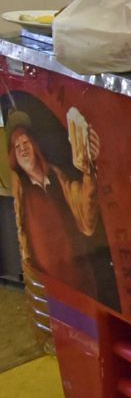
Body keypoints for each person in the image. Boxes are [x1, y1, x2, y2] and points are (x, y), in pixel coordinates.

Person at [6, 100, 119, 310]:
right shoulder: (21, 190)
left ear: (35, 145)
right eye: (17, 147)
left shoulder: (59, 180)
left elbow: (87, 219)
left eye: (26, 143)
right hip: (49, 290)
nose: (23, 150)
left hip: (81, 283)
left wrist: (88, 171)